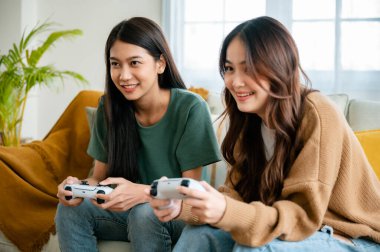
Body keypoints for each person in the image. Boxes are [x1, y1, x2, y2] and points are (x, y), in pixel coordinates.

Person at [149, 16, 380, 251]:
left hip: (350, 236)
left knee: (255, 248)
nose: (235, 81)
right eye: (229, 68)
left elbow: (301, 216)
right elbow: (237, 197)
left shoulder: (317, 112)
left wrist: (225, 211)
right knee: (199, 235)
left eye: (248, 68)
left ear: (279, 65)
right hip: (293, 230)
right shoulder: (248, 120)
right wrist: (183, 207)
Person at [55, 17, 220, 252]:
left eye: (134, 63)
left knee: (145, 213)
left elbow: (189, 190)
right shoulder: (109, 107)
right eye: (115, 64)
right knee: (70, 209)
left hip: (174, 213)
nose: (123, 75)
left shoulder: (190, 108)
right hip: (129, 213)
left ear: (160, 64)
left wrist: (143, 193)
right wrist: (77, 187)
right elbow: (99, 178)